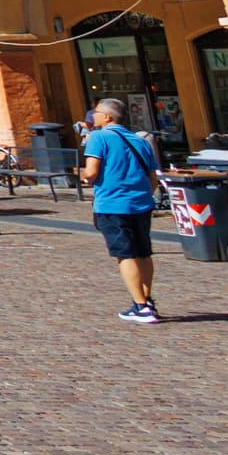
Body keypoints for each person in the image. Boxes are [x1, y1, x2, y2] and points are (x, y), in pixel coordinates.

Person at [82, 98, 163, 323]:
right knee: (143, 252)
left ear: (107, 117)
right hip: (141, 204)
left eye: (96, 112)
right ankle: (147, 300)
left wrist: (82, 176)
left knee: (125, 254)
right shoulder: (140, 140)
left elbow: (91, 172)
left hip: (112, 203)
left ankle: (141, 306)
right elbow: (153, 178)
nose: (92, 116)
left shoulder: (98, 137)